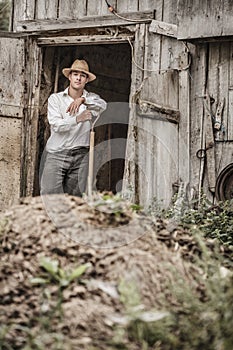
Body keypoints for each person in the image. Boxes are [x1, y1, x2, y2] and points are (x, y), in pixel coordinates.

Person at [40, 59, 107, 197]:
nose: (78, 77)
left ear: (86, 80)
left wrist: (83, 100)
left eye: (82, 75)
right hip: (57, 154)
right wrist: (77, 119)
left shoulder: (91, 99)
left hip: (80, 156)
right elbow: (57, 125)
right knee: (49, 193)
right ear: (69, 77)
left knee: (74, 197)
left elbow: (103, 105)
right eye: (75, 74)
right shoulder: (56, 99)